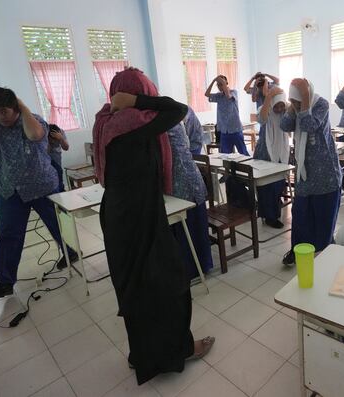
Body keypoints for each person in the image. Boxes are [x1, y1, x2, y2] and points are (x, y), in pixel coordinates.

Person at [93, 68, 214, 385]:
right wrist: (137, 99)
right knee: (171, 284)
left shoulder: (106, 121)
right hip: (138, 216)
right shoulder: (134, 124)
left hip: (120, 215)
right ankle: (179, 350)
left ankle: (143, 356)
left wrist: (127, 100)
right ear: (137, 92)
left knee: (136, 289)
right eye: (144, 90)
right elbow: (177, 109)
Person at [0, 86, 78, 298]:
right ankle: (4, 281)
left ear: (14, 107)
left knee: (56, 224)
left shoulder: (34, 121)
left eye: (4, 111)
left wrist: (21, 106)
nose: (0, 116)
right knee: (8, 235)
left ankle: (70, 253)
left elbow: (35, 135)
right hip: (10, 189)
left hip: (42, 186)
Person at [280, 78, 342, 265]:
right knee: (301, 215)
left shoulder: (321, 104)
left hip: (325, 172)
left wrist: (305, 97)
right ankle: (298, 249)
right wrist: (293, 107)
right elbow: (284, 126)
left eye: (298, 100)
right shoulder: (295, 109)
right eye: (295, 100)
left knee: (323, 215)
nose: (297, 105)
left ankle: (324, 250)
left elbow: (309, 125)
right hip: (305, 173)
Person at [167, 122, 214, 278]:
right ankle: (194, 266)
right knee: (188, 229)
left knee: (191, 228)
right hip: (181, 183)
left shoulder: (167, 125)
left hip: (185, 184)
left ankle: (195, 269)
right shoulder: (170, 121)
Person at [253, 85, 290, 228]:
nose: (280, 109)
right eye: (277, 106)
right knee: (266, 187)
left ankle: (273, 211)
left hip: (281, 152)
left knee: (278, 184)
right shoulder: (264, 110)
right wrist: (268, 96)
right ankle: (270, 217)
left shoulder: (285, 113)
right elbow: (262, 120)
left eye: (282, 106)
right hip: (265, 153)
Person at [205, 75, 249, 155]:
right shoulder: (218, 96)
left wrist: (221, 81)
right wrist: (214, 80)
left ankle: (248, 167)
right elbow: (207, 94)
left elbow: (228, 96)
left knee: (243, 153)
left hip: (235, 129)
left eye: (221, 84)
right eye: (218, 85)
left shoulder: (233, 92)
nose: (220, 86)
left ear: (226, 83)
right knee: (225, 155)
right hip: (224, 131)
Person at [47, 123, 69, 192]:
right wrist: (49, 142)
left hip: (57, 158)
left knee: (59, 173)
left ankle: (61, 190)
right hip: (46, 159)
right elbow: (46, 152)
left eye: (55, 140)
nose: (54, 141)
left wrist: (61, 139)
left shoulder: (61, 132)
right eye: (52, 140)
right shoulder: (43, 133)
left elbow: (66, 147)